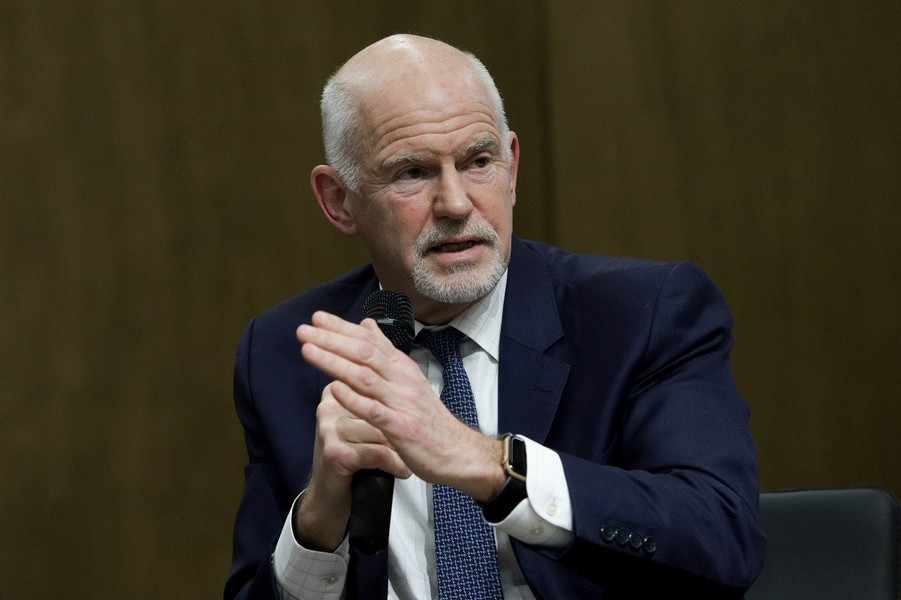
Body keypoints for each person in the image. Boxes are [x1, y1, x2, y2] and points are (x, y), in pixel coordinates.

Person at [224, 34, 765, 600]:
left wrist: (485, 462)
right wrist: (316, 523)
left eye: (478, 162)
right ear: (339, 200)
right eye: (413, 173)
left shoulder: (640, 315)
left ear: (511, 169)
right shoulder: (286, 353)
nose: (456, 203)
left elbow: (722, 536)